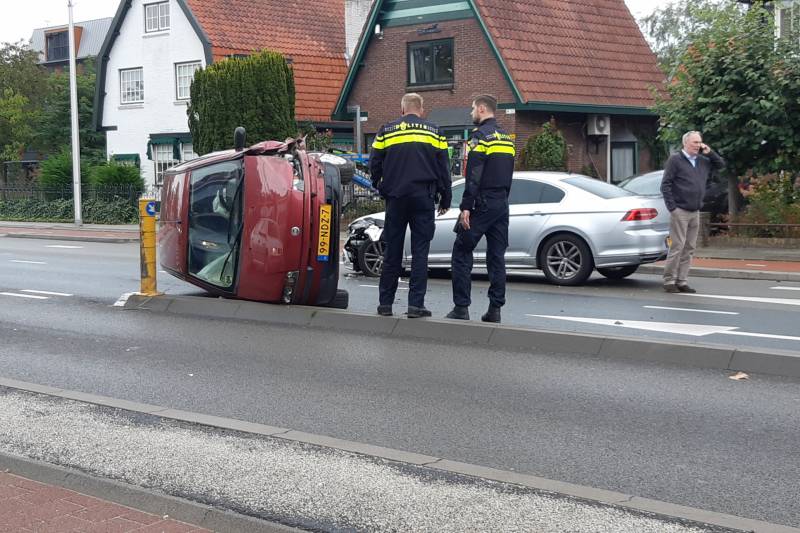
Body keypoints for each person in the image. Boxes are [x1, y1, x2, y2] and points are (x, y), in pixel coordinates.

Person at [369, 93, 452, 318]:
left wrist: (379, 186)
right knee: (420, 253)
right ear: (421, 109)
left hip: (396, 198)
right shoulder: (435, 132)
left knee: (392, 252)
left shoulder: (386, 130)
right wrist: (446, 198)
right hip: (423, 198)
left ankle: (385, 304)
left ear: (402, 109)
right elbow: (444, 168)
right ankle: (415, 305)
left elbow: (374, 162)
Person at [446, 95, 515, 322]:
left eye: (473, 108)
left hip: (482, 203)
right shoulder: (507, 138)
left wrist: (466, 207)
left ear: (482, 109)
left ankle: (461, 307)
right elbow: (509, 173)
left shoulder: (480, 137)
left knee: (461, 250)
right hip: (502, 204)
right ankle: (495, 309)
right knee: (496, 256)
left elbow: (473, 174)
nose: (471, 112)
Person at [660, 130, 725, 293]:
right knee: (678, 245)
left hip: (695, 209)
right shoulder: (675, 160)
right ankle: (669, 280)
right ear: (685, 143)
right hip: (680, 209)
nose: (698, 146)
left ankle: (682, 280)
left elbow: (721, 165)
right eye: (695, 142)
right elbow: (665, 185)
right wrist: (672, 208)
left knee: (689, 247)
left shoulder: (703, 161)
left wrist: (710, 152)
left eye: (700, 142)